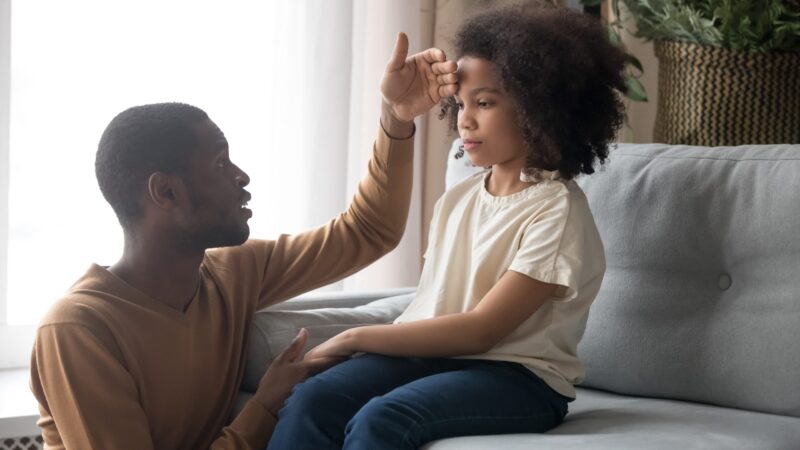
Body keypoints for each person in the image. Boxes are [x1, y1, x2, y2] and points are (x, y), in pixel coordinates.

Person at [28, 32, 458, 450]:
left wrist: (396, 116)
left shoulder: (232, 273)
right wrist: (266, 406)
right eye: (220, 163)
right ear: (166, 193)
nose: (241, 177)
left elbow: (368, 230)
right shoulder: (79, 330)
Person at [267, 5, 627, 449]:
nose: (465, 119)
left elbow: (482, 330)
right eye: (460, 103)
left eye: (485, 102)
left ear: (539, 107)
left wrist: (354, 337)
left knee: (384, 419)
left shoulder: (556, 211)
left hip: (518, 378)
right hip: (437, 359)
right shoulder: (461, 196)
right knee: (314, 398)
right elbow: (436, 303)